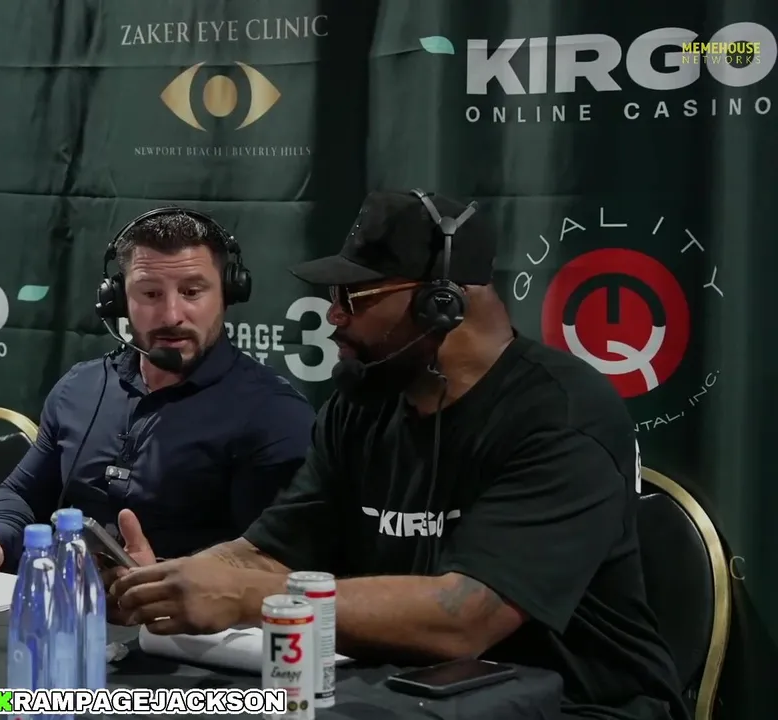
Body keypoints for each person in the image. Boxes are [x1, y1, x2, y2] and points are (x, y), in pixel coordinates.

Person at [110, 191, 688, 720]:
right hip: (410, 696)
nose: (333, 316)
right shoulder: (362, 405)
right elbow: (271, 553)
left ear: (442, 304)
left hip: (579, 705)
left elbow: (466, 619)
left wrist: (243, 598)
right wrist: (171, 580)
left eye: (353, 297)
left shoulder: (563, 415)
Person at [0, 207, 315, 573]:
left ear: (228, 294)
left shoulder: (274, 414)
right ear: (117, 300)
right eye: (150, 294)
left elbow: (277, 561)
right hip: (71, 605)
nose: (172, 315)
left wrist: (168, 576)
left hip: (190, 618)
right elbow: (22, 495)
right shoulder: (80, 388)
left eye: (192, 292)